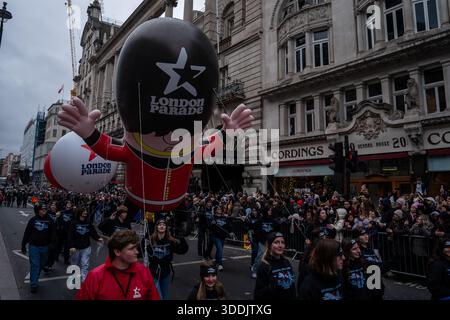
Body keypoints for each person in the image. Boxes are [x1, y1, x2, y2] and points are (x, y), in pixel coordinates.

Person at [76, 230, 160, 300]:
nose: (137, 252)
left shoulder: (143, 272)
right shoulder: (95, 276)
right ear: (117, 252)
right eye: (131, 248)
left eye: (136, 247)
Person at [145, 218, 188, 300]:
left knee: (164, 297)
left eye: (164, 224)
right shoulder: (151, 240)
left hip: (166, 273)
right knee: (158, 298)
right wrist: (144, 240)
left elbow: (183, 250)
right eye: (160, 224)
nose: (162, 226)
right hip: (154, 273)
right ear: (156, 227)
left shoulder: (171, 241)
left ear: (166, 228)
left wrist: (181, 238)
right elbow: (141, 252)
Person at [21, 203, 56, 293]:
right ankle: (34, 284)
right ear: (38, 210)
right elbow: (27, 233)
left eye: (45, 209)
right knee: (35, 265)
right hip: (34, 246)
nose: (44, 210)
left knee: (42, 264)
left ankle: (35, 276)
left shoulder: (50, 220)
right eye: (42, 209)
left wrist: (52, 244)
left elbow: (53, 233)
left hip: (45, 247)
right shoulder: (33, 220)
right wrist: (23, 245)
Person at [254, 232, 296, 300]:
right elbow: (258, 294)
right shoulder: (265, 266)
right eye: (276, 242)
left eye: (282, 242)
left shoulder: (286, 262)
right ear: (270, 245)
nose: (280, 245)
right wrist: (270, 288)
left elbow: (292, 287)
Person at [68, 207, 104, 282]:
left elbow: (93, 232)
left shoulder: (88, 222)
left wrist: (98, 238)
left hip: (86, 247)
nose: (85, 212)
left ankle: (84, 280)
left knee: (85, 264)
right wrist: (71, 246)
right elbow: (70, 235)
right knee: (74, 263)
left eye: (86, 211)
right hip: (76, 248)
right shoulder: (73, 223)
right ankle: (73, 275)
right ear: (79, 212)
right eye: (83, 211)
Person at [204, 206, 231, 271]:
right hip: (215, 236)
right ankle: (220, 264)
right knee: (220, 249)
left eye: (220, 209)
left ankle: (216, 260)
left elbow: (228, 226)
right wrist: (212, 224)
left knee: (219, 250)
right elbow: (209, 227)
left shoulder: (225, 217)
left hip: (222, 236)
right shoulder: (213, 217)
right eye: (218, 209)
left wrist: (231, 231)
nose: (219, 210)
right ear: (215, 210)